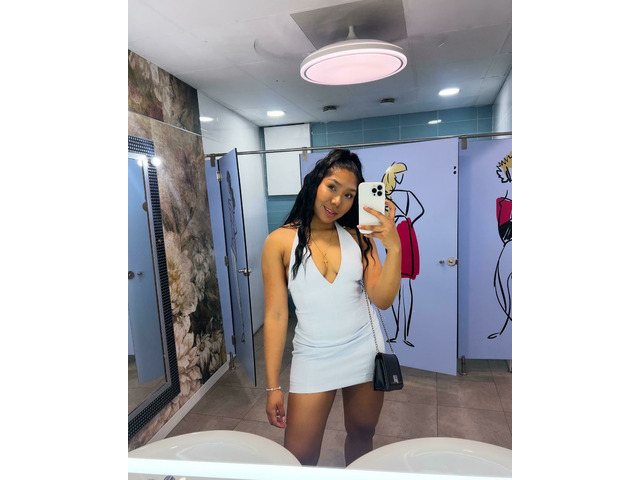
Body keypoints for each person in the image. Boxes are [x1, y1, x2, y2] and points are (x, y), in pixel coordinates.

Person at [261, 149, 402, 466]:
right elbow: (276, 315)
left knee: (362, 433)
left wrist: (393, 248)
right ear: (315, 183)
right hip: (313, 356)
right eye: (332, 187)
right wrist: (272, 386)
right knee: (299, 456)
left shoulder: (359, 238)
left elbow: (382, 299)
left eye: (349, 195)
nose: (338, 201)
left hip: (363, 349)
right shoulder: (279, 242)